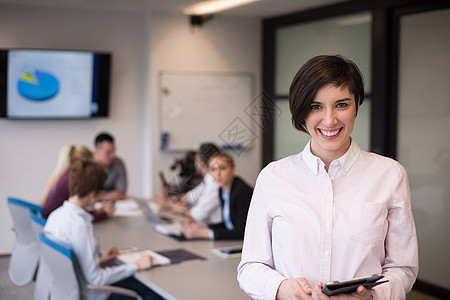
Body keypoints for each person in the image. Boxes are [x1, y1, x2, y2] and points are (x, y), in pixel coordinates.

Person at [237, 55, 418, 300]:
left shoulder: (390, 175)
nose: (330, 119)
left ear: (357, 104)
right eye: (315, 106)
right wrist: (283, 289)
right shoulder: (273, 177)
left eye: (342, 104)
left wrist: (374, 295)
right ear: (301, 112)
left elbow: (402, 268)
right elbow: (250, 267)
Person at [44, 160, 162, 300]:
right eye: (101, 191)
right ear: (92, 195)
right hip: (91, 294)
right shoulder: (80, 225)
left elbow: (73, 263)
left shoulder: (55, 216)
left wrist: (100, 259)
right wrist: (136, 265)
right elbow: (96, 279)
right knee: (153, 294)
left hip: (65, 292)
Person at [182, 151, 253, 240]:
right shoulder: (222, 190)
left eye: (222, 168)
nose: (217, 174)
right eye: (213, 169)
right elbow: (228, 224)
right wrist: (203, 227)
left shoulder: (242, 192)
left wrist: (205, 233)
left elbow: (240, 232)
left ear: (232, 169)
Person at [154, 142, 222, 225]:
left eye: (196, 161)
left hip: (214, 228)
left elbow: (197, 214)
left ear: (201, 163)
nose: (195, 165)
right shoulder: (208, 179)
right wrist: (176, 200)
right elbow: (190, 197)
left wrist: (168, 205)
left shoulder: (214, 182)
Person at [41, 144, 114, 220]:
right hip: (57, 221)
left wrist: (96, 212)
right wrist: (104, 214)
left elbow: (77, 210)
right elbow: (80, 216)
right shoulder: (72, 180)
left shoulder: (66, 175)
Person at [94, 132, 127, 201]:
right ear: (97, 151)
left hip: (114, 205)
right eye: (108, 152)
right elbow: (86, 195)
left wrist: (99, 195)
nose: (112, 156)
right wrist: (106, 196)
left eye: (113, 152)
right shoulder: (87, 166)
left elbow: (120, 193)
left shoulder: (118, 163)